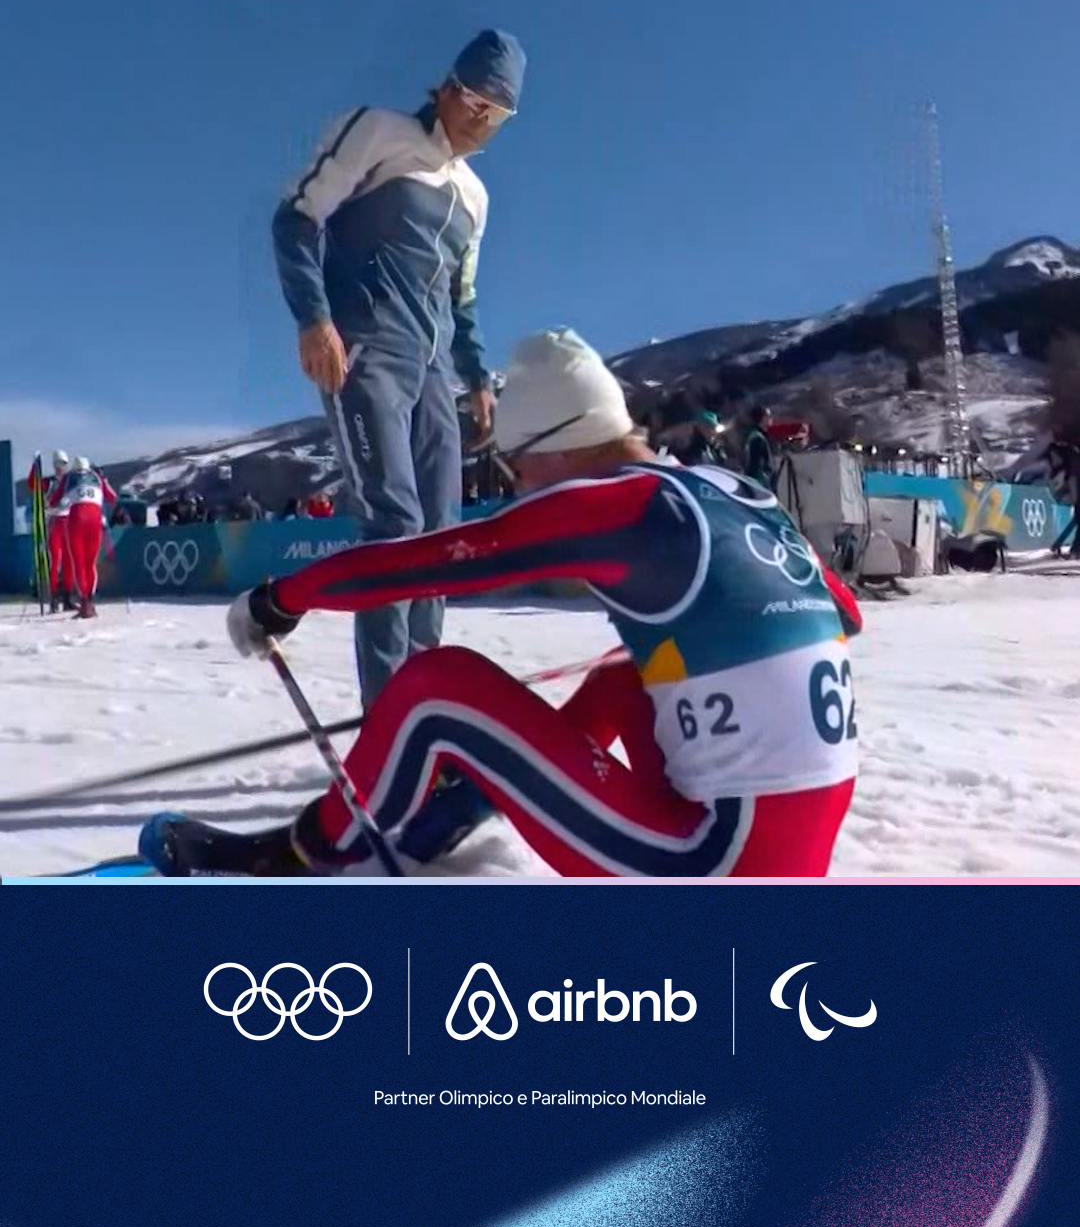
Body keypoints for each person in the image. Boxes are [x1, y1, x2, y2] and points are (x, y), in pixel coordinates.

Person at [142, 330, 863, 880]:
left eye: (513, 470)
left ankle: (310, 857)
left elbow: (421, 563)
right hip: (784, 848)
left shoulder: (619, 507)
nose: (517, 488)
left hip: (712, 860)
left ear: (548, 450)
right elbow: (844, 616)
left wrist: (282, 598)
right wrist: (688, 651)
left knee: (438, 688)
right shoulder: (735, 493)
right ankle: (449, 813)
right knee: (624, 675)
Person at [270, 28, 525, 707]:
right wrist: (313, 317)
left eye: (498, 113)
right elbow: (296, 218)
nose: (482, 119)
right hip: (366, 350)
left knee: (441, 537)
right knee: (394, 525)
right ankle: (389, 718)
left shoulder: (476, 198)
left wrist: (475, 378)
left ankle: (424, 709)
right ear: (445, 87)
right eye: (474, 100)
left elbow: (460, 298)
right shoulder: (378, 132)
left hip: (433, 370)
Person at [57, 457, 117, 618]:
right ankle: (90, 601)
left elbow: (55, 499)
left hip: (77, 520)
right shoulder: (97, 477)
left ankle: (84, 602)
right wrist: (103, 479)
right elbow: (112, 497)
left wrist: (52, 506)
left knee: (79, 563)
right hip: (95, 521)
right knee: (90, 564)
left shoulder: (70, 476)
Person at [43, 449, 76, 613]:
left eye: (62, 464)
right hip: (55, 522)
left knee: (69, 562)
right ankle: (54, 599)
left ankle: (68, 598)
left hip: (68, 523)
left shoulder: (70, 482)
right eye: (57, 464)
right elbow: (35, 490)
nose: (59, 467)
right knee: (55, 561)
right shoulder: (48, 482)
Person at [743, 405, 776, 491]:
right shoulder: (758, 438)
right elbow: (756, 465)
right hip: (760, 486)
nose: (771, 418)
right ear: (762, 418)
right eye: (768, 416)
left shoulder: (754, 435)